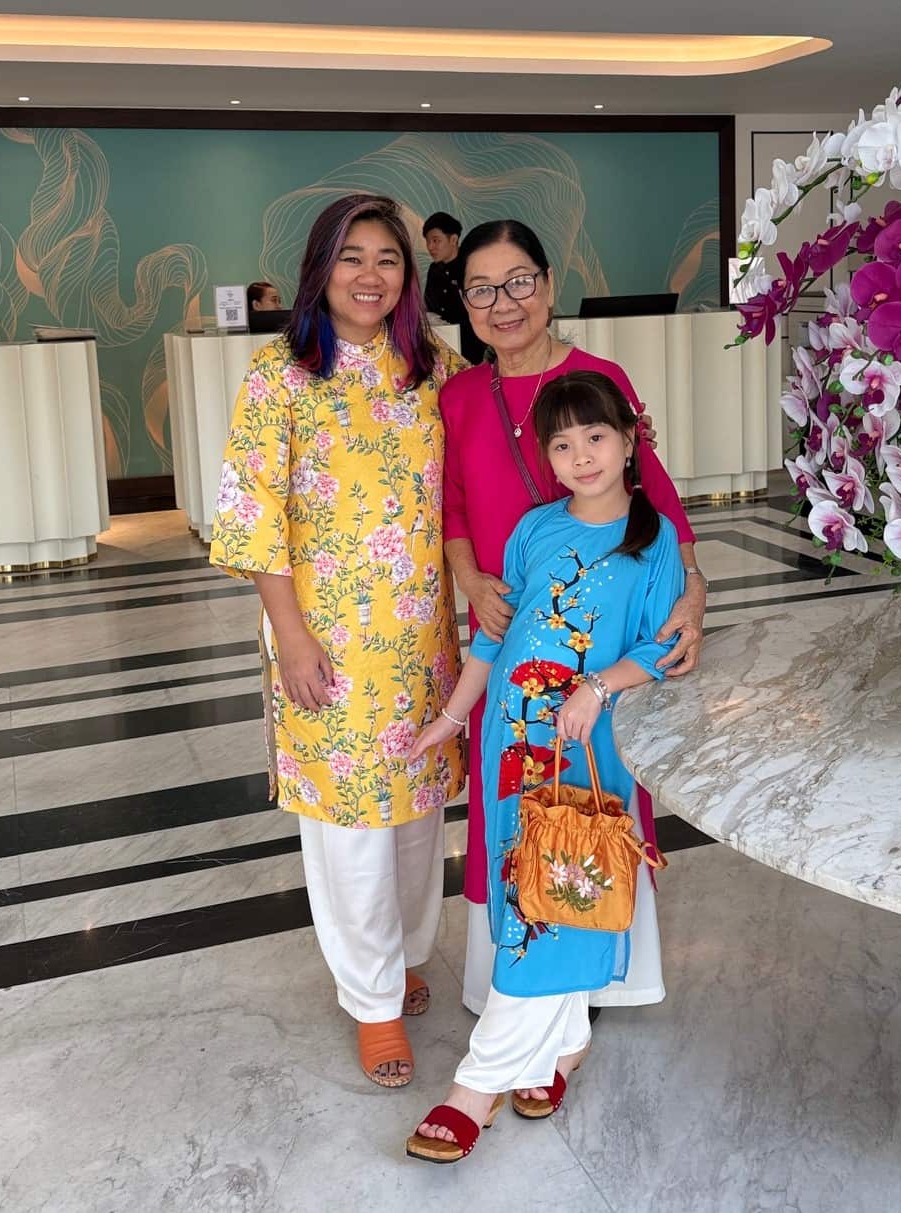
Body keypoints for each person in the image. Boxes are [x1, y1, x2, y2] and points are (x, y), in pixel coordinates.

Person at [210, 194, 467, 1090]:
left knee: (414, 816)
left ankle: (404, 958)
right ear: (323, 268)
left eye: (387, 258)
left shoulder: (431, 367)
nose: (371, 275)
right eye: (352, 257)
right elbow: (253, 514)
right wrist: (291, 636)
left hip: (422, 641)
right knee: (349, 827)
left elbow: (479, 475)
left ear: (407, 272)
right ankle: (372, 1002)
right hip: (325, 642)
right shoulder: (280, 373)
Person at [405, 370, 685, 1163]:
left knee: (557, 901)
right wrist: (454, 719)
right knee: (526, 894)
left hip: (586, 754)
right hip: (509, 744)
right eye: (562, 444)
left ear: (630, 440)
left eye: (596, 437)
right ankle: (562, 1050)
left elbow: (661, 647)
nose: (581, 455)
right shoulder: (533, 530)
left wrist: (599, 685)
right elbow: (496, 639)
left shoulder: (654, 537)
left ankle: (474, 1087)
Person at [438, 219, 706, 1018]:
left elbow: (653, 489)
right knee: (509, 803)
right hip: (512, 641)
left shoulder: (597, 375)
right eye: (481, 289)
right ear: (465, 302)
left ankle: (590, 963)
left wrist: (691, 587)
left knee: (591, 795)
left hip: (601, 649)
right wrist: (471, 577)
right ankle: (518, 985)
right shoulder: (458, 393)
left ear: (550, 284)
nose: (503, 303)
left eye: (519, 281)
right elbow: (451, 504)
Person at [422, 211, 486, 365]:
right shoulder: (434, 270)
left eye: (436, 240)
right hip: (442, 344)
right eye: (428, 241)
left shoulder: (471, 266)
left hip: (473, 347)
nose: (430, 247)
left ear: (453, 239)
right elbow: (429, 307)